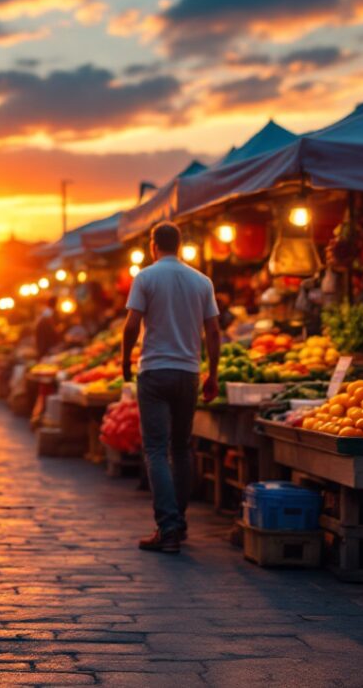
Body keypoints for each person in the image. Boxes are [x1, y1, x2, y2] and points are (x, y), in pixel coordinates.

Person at [122, 222, 220, 555]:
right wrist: (214, 374)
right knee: (181, 449)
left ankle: (167, 529)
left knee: (155, 450)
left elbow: (132, 324)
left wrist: (125, 360)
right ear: (179, 245)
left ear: (153, 245)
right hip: (189, 373)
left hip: (154, 373)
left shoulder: (145, 277)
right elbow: (214, 332)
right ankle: (178, 522)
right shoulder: (201, 281)